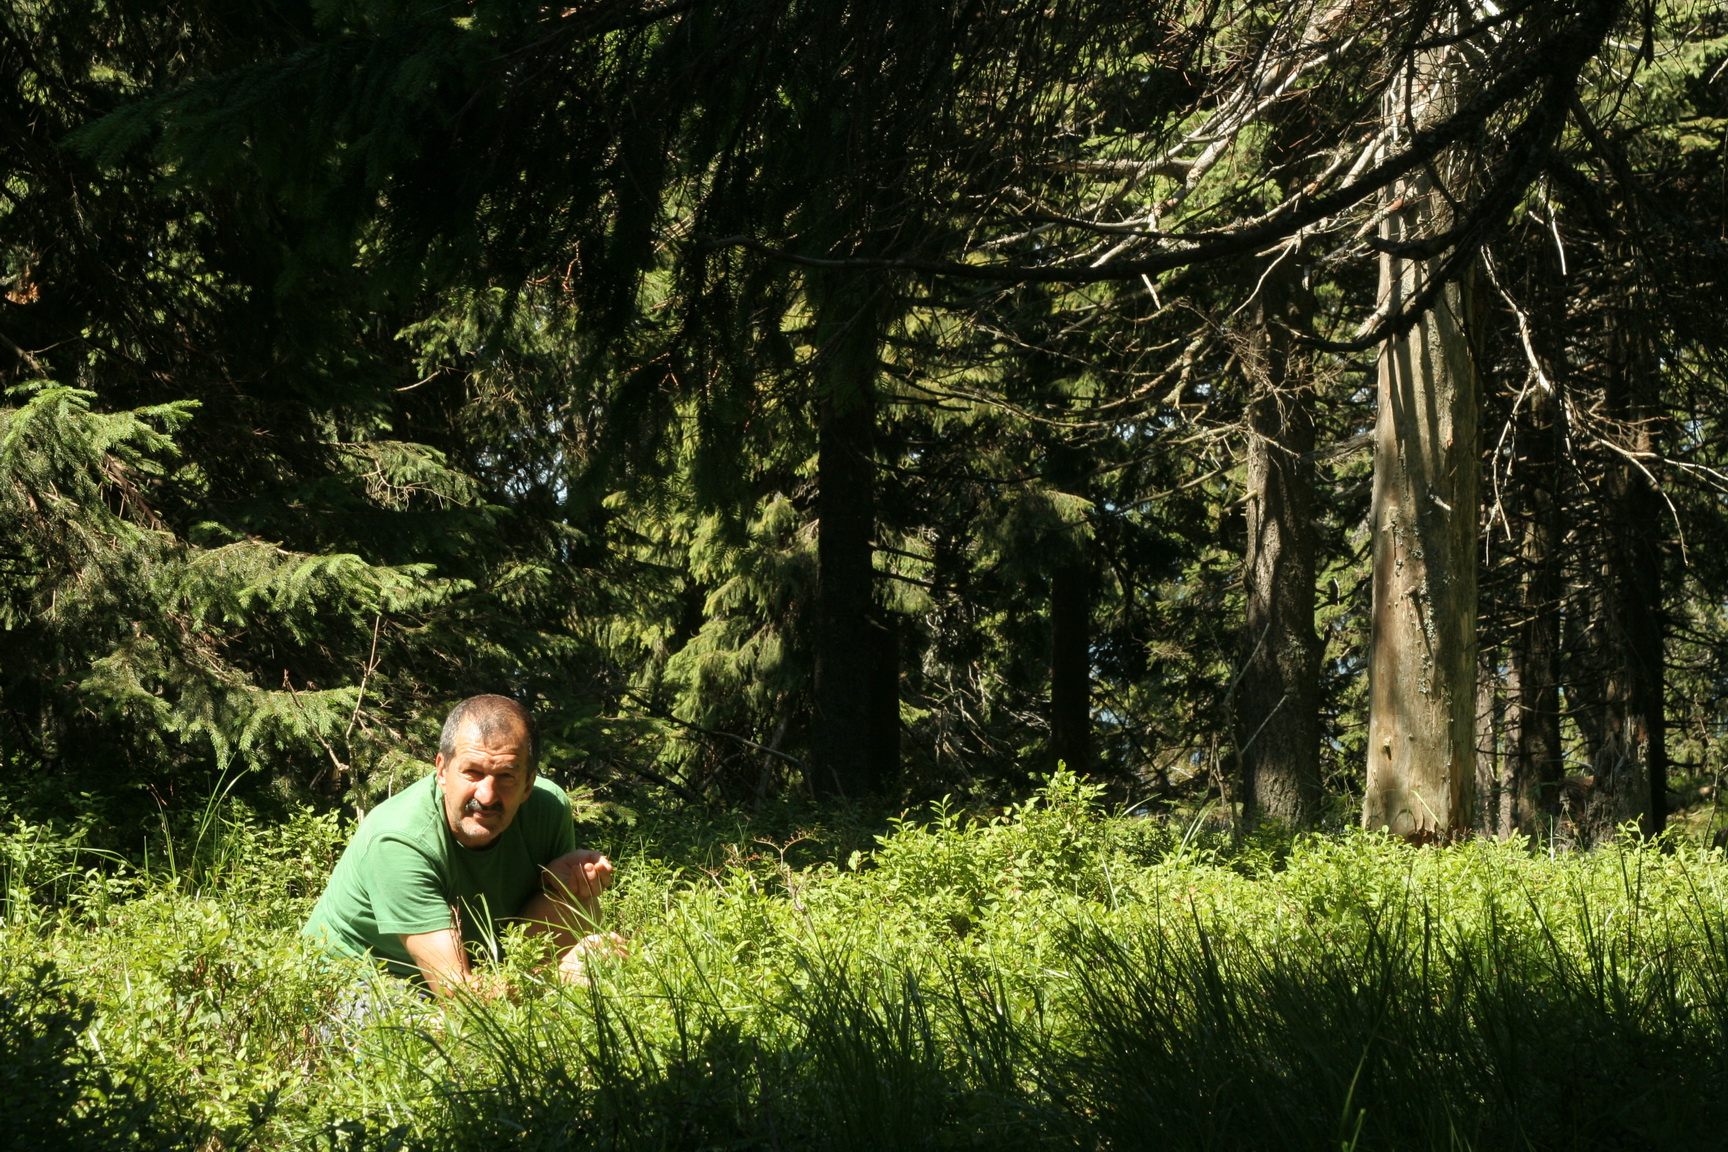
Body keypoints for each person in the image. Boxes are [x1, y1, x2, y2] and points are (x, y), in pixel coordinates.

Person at [303, 694, 618, 994]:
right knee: (429, 1031)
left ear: (528, 784)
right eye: (472, 772)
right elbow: (458, 993)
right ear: (442, 770)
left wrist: (552, 880)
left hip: (473, 963)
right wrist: (558, 977)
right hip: (362, 981)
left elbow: (543, 904)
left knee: (577, 897)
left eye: (506, 776)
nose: (487, 796)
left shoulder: (548, 808)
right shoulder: (400, 840)